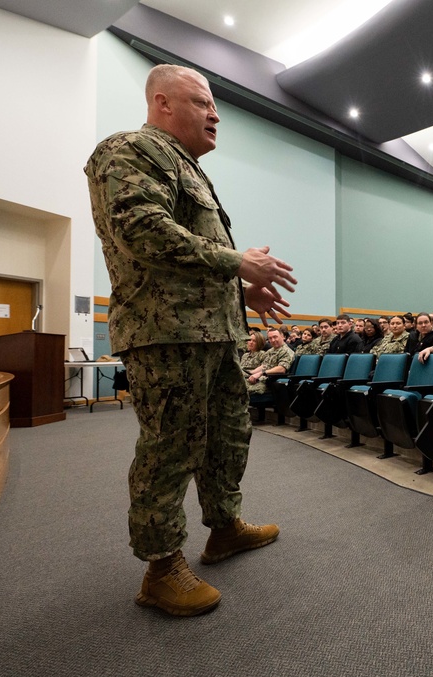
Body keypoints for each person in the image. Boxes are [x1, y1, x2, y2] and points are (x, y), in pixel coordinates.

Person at [85, 64, 296, 616]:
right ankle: (161, 568)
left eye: (214, 105)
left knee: (227, 437)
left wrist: (239, 294)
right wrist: (235, 261)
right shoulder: (128, 149)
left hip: (215, 332)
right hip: (166, 334)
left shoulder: (190, 170)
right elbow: (141, 230)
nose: (216, 113)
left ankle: (224, 528)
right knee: (171, 445)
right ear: (162, 103)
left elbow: (189, 257)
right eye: (202, 102)